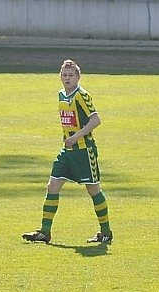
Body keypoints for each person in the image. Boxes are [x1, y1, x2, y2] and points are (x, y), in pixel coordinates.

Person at [22, 59, 113, 245]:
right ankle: (45, 232)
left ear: (78, 77)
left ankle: (106, 232)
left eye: (71, 75)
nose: (67, 78)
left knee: (93, 189)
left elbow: (96, 120)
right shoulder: (61, 95)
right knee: (52, 186)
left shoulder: (82, 95)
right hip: (67, 151)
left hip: (84, 151)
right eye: (64, 75)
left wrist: (76, 137)